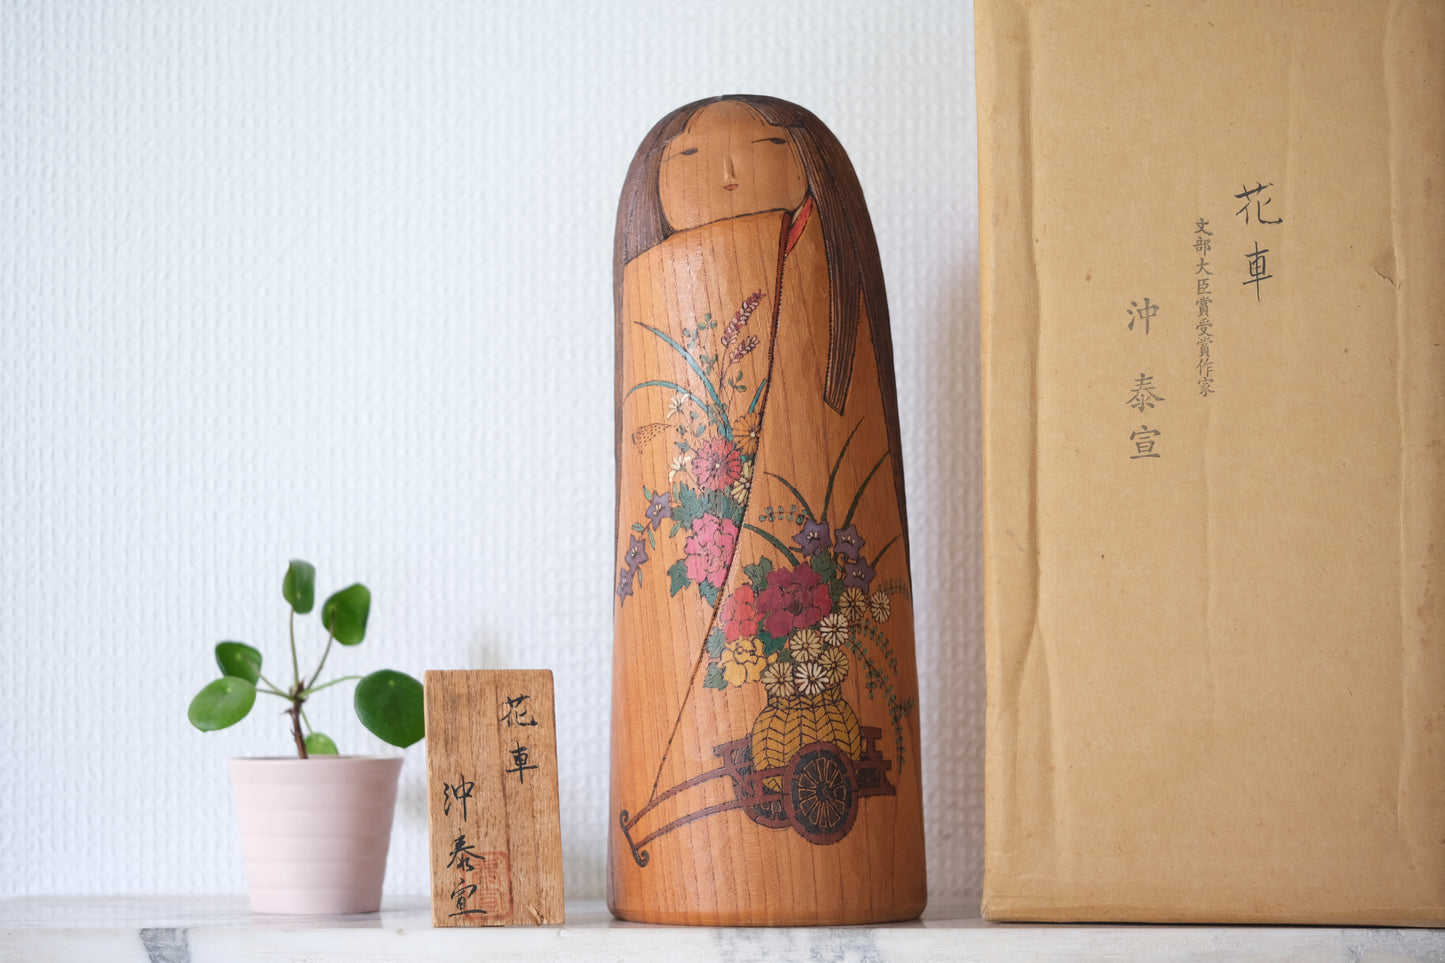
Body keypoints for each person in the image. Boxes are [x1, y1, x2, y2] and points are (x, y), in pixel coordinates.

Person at [610, 97, 921, 892]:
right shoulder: (655, 278)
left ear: (808, 165)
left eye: (758, 149)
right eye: (687, 161)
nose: (724, 173)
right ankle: (683, 866)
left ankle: (838, 870)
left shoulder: (822, 261)